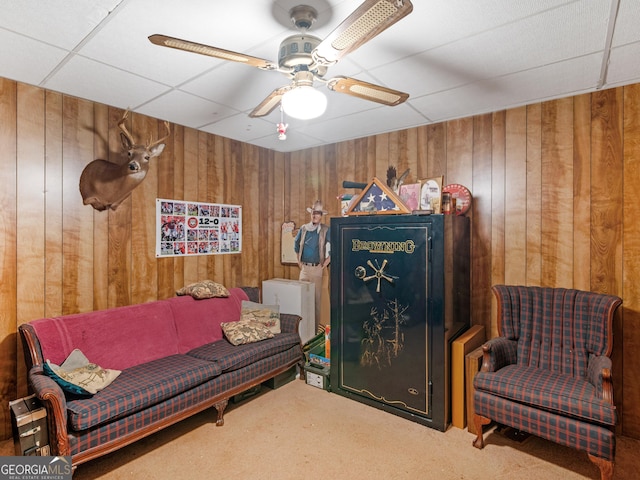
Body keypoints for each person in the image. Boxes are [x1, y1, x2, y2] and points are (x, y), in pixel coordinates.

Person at [294, 200, 330, 331]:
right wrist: (299, 262)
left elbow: (334, 246)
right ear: (311, 214)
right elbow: (296, 245)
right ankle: (302, 331)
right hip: (304, 269)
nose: (315, 216)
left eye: (318, 213)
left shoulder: (325, 230)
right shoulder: (304, 229)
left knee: (316, 302)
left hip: (317, 269)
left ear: (321, 216)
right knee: (301, 299)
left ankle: (314, 333)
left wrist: (326, 262)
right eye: (313, 213)